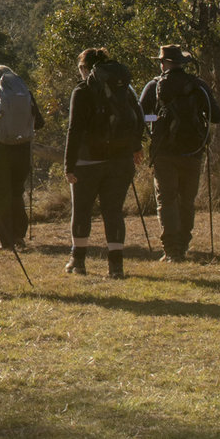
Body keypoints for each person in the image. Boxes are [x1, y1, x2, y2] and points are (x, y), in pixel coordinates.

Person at [63, 47, 143, 277]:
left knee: (82, 211)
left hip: (88, 161)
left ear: (86, 69)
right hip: (121, 160)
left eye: (80, 69)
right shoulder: (124, 89)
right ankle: (116, 267)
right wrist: (135, 148)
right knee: (113, 212)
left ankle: (77, 262)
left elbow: (74, 130)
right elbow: (137, 119)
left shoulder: (82, 91)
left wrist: (68, 165)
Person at [138, 45, 220, 262]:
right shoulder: (198, 86)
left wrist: (153, 123)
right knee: (186, 200)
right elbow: (217, 116)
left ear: (163, 63)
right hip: (193, 152)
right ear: (182, 64)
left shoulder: (154, 86)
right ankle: (183, 245)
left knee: (166, 200)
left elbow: (139, 117)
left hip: (164, 152)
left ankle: (172, 250)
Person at [0, 64, 41, 253]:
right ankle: (19, 235)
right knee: (17, 192)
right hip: (23, 150)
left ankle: (5, 239)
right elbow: (40, 123)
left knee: (1, 194)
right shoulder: (26, 94)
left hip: (0, 151)